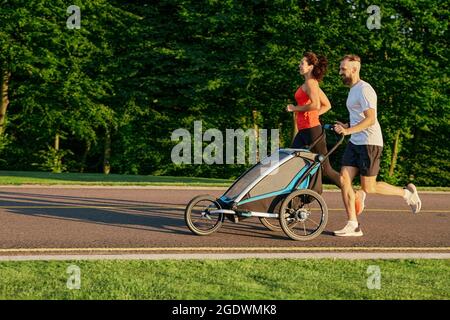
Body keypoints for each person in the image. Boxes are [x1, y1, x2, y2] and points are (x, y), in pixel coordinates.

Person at [333, 54, 422, 237]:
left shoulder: (365, 89)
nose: (340, 72)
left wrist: (348, 131)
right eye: (340, 68)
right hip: (355, 142)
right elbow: (358, 118)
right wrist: (346, 126)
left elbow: (371, 119)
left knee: (369, 187)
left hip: (369, 143)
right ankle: (353, 224)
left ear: (354, 69)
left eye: (343, 69)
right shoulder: (352, 90)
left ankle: (406, 194)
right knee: (344, 180)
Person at [286, 52, 364, 212]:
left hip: (312, 131)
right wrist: (310, 114)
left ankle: (354, 194)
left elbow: (315, 105)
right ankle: (296, 202)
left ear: (310, 67)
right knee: (293, 163)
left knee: (326, 169)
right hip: (304, 130)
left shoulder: (312, 84)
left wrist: (295, 108)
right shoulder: (309, 83)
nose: (299, 65)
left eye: (302, 63)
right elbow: (326, 105)